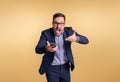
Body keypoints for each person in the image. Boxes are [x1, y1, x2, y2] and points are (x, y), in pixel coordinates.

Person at [35, 13, 89, 82]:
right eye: (56, 23)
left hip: (65, 67)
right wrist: (47, 48)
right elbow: (37, 49)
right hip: (52, 68)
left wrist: (76, 38)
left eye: (61, 23)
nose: (58, 26)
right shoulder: (46, 33)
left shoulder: (69, 31)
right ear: (52, 24)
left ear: (64, 24)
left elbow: (86, 40)